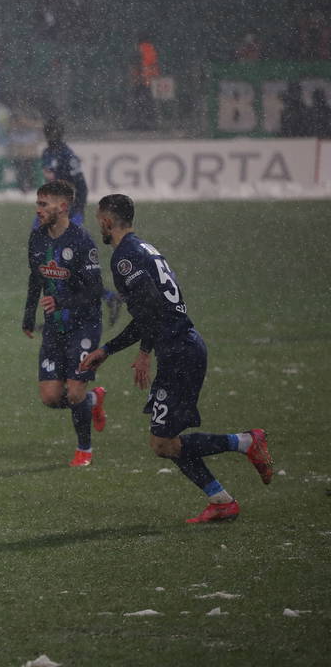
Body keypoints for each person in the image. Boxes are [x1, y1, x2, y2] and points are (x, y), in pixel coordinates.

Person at [79, 194, 274, 523]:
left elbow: (152, 310)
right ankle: (221, 499)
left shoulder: (124, 257)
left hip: (179, 350)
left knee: (163, 442)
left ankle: (245, 443)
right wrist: (107, 350)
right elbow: (149, 312)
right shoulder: (145, 248)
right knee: (165, 440)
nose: (98, 224)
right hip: (180, 347)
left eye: (98, 218)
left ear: (107, 221)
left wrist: (142, 353)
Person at [22, 180, 108, 467]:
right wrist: (28, 314)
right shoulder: (37, 239)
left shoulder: (81, 242)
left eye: (43, 204)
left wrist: (62, 302)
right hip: (53, 326)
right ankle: (91, 401)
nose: (38, 210)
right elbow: (36, 278)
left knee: (74, 392)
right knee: (50, 397)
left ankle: (84, 450)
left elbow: (95, 291)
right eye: (38, 204)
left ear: (63, 206)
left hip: (83, 326)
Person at [38, 118, 122, 325]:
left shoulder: (68, 156)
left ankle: (63, 317)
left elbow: (82, 187)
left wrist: (77, 213)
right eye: (50, 133)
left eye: (55, 133)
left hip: (67, 214)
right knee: (52, 262)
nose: (52, 137)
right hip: (51, 214)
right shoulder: (47, 154)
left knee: (62, 264)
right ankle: (107, 298)